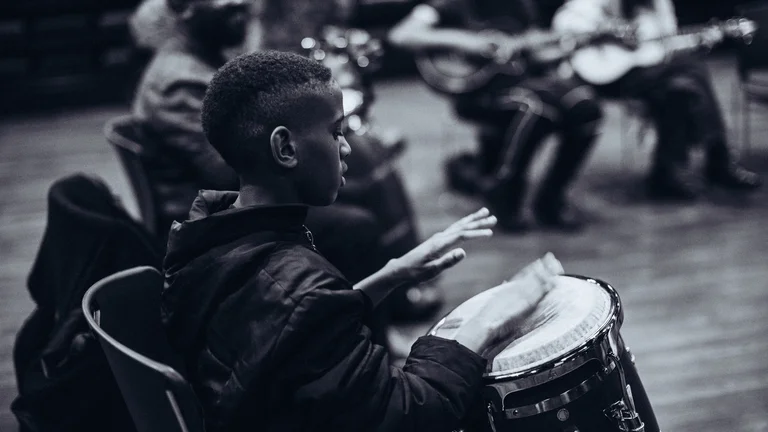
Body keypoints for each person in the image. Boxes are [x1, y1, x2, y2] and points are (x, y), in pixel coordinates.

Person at [161, 49, 554, 431]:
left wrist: (390, 275)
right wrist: (487, 322)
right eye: (336, 132)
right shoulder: (297, 284)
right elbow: (412, 414)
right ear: (285, 148)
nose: (346, 147)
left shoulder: (209, 229)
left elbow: (286, 334)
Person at [129, 0, 441, 321]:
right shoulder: (177, 82)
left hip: (233, 197)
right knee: (353, 221)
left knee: (359, 162)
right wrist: (318, 121)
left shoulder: (201, 57)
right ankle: (365, 338)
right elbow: (230, 166)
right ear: (184, 10)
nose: (242, 2)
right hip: (218, 216)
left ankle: (394, 295)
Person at [389, 0, 604, 232]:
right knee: (532, 109)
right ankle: (506, 193)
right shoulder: (449, 4)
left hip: (521, 82)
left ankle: (551, 198)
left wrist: (568, 46)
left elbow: (529, 54)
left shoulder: (522, 6)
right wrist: (468, 42)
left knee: (585, 107)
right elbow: (401, 35)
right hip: (478, 93)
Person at [552, 0, 762, 199]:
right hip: (605, 74)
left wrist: (698, 42)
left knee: (679, 89)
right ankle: (718, 158)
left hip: (647, 73)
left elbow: (665, 47)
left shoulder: (659, 4)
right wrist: (607, 29)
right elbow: (564, 22)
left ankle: (668, 173)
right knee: (691, 68)